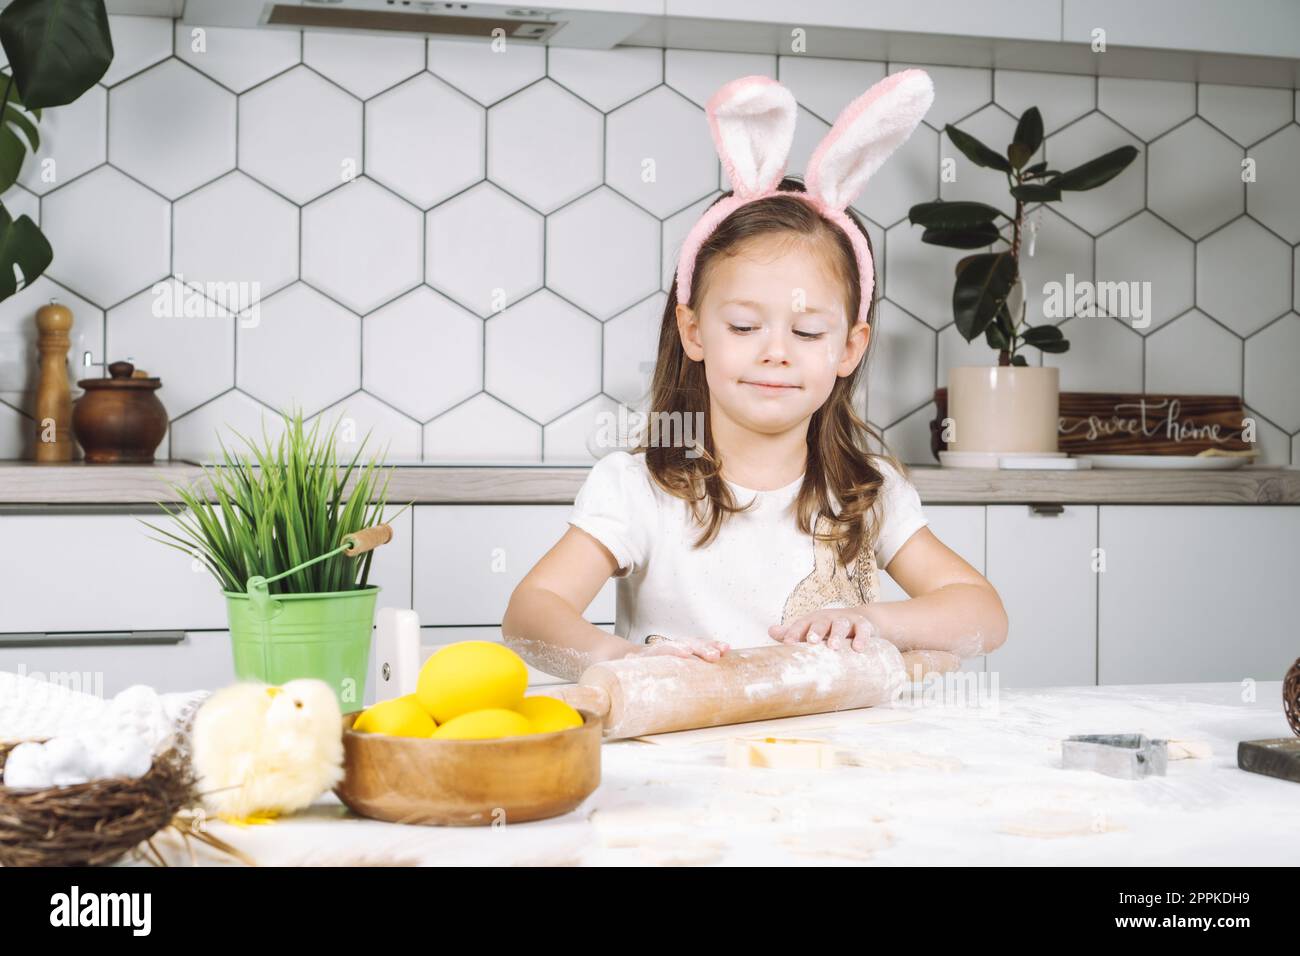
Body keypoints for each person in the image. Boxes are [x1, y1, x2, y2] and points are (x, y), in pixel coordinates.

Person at [502, 71, 1007, 682]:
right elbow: (530, 616)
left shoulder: (867, 494)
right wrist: (626, 660)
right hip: (683, 763)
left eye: (807, 332)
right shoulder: (640, 490)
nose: (776, 353)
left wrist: (875, 620)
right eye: (744, 327)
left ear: (849, 347)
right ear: (694, 333)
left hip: (834, 765)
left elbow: (984, 614)